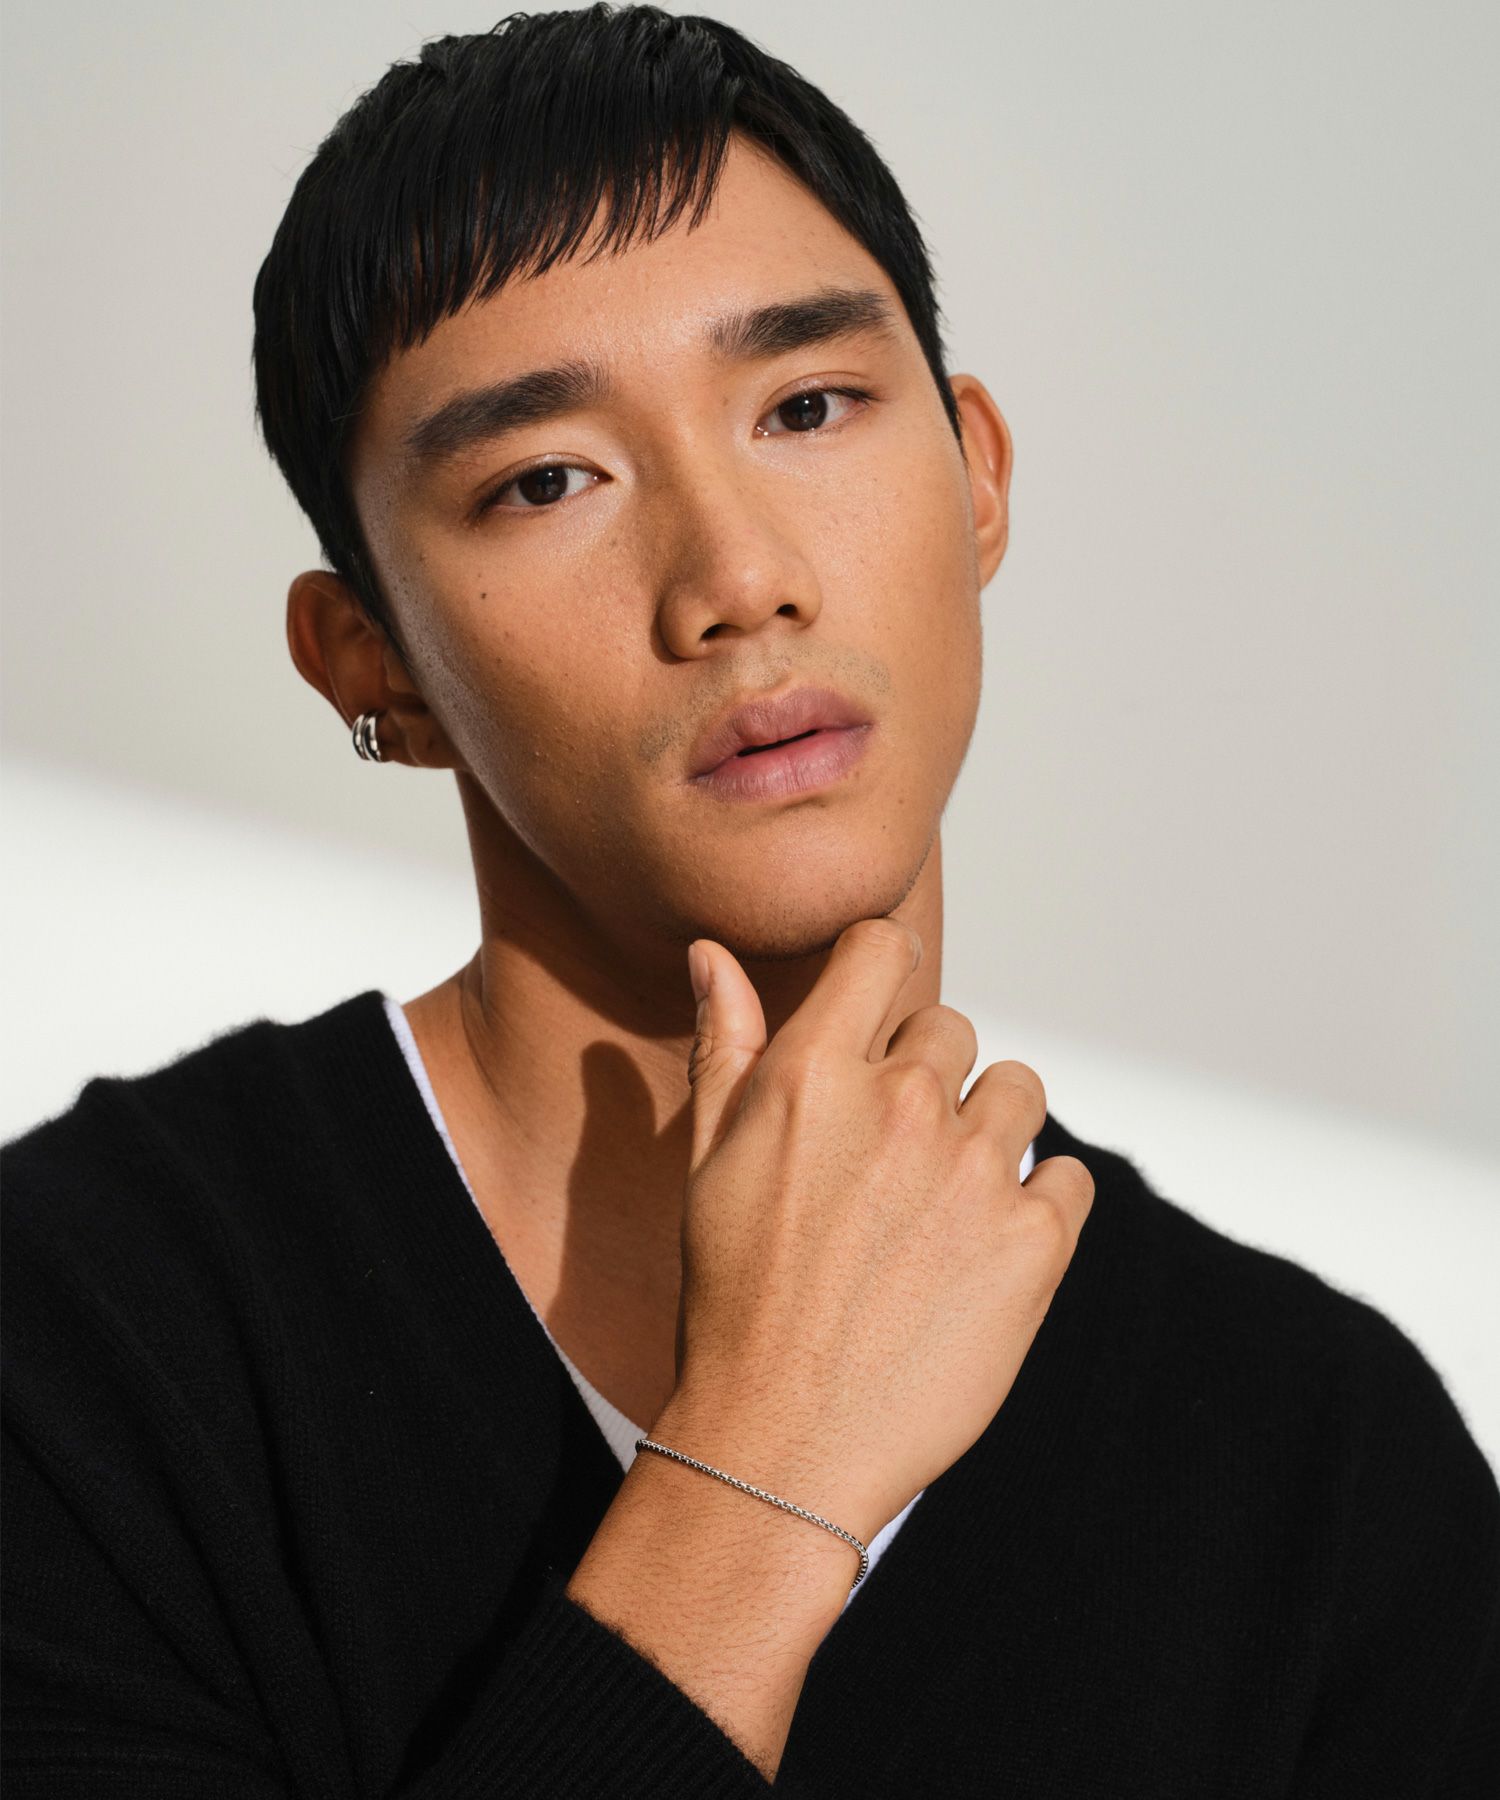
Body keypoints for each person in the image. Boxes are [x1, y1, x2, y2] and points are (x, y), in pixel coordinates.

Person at [3, 6, 1496, 1794]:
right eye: (546, 480)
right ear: (368, 659)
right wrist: (763, 1476)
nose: (735, 577)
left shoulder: (1322, 1465)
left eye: (806, 406)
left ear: (979, 476)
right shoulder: (86, 1342)